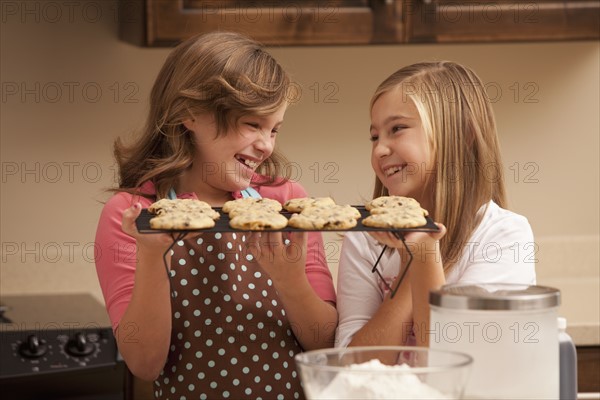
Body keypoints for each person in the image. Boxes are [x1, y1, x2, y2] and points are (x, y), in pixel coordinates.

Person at [94, 32, 337, 399]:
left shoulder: (287, 202)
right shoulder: (135, 215)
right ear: (189, 113)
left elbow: (325, 347)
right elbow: (144, 363)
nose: (266, 144)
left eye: (274, 129)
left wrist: (290, 281)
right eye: (252, 124)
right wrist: (151, 257)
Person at [335, 61, 535, 349]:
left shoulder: (503, 237)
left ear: (462, 134)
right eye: (375, 136)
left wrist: (424, 254)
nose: (379, 149)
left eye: (397, 128)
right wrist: (409, 267)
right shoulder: (365, 239)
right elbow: (351, 367)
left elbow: (456, 364)